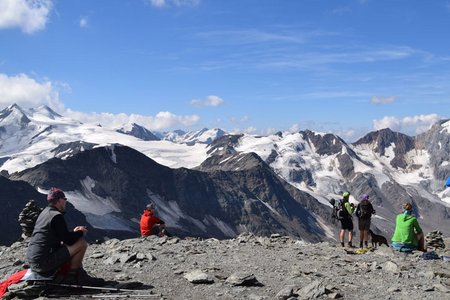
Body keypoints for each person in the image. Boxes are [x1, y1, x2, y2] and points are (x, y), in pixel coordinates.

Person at [26, 188, 104, 285]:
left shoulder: (45, 213)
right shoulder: (56, 216)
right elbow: (68, 240)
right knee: (81, 243)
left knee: (72, 242)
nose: (66, 202)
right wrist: (80, 233)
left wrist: (74, 232)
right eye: (64, 199)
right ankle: (73, 277)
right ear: (59, 200)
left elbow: (62, 236)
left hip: (34, 260)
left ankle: (76, 275)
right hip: (43, 263)